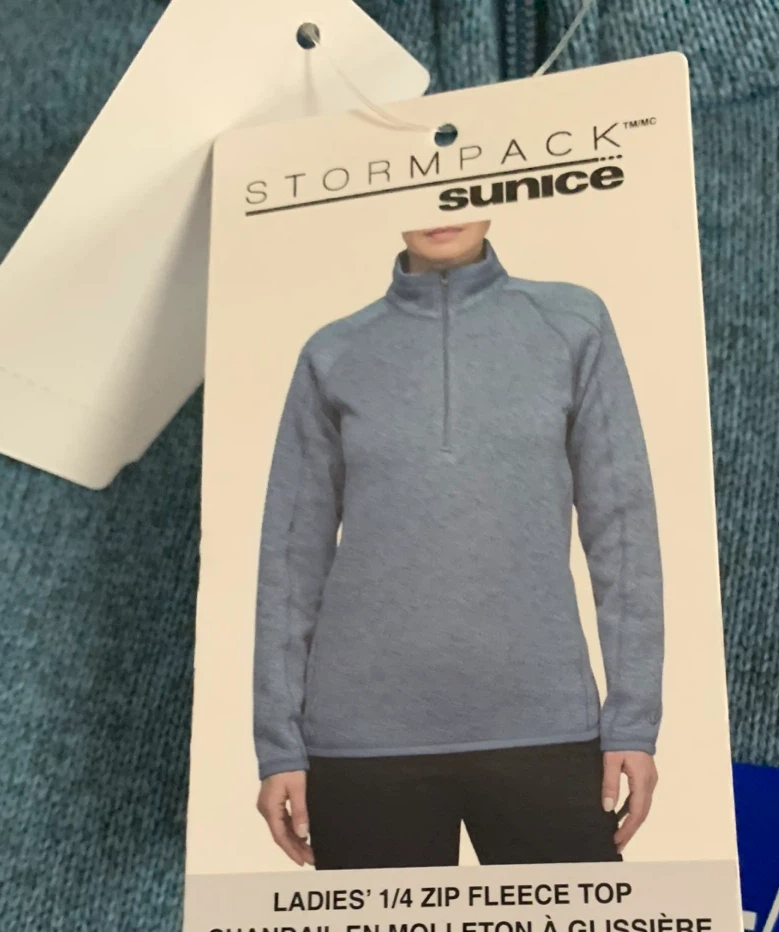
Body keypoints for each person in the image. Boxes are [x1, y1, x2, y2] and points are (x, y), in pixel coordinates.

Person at [253, 220, 664, 868]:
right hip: (362, 741)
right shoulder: (333, 351)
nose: (440, 210)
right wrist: (279, 743)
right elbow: (290, 557)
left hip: (545, 725)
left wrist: (634, 721)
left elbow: (623, 529)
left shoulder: (572, 324)